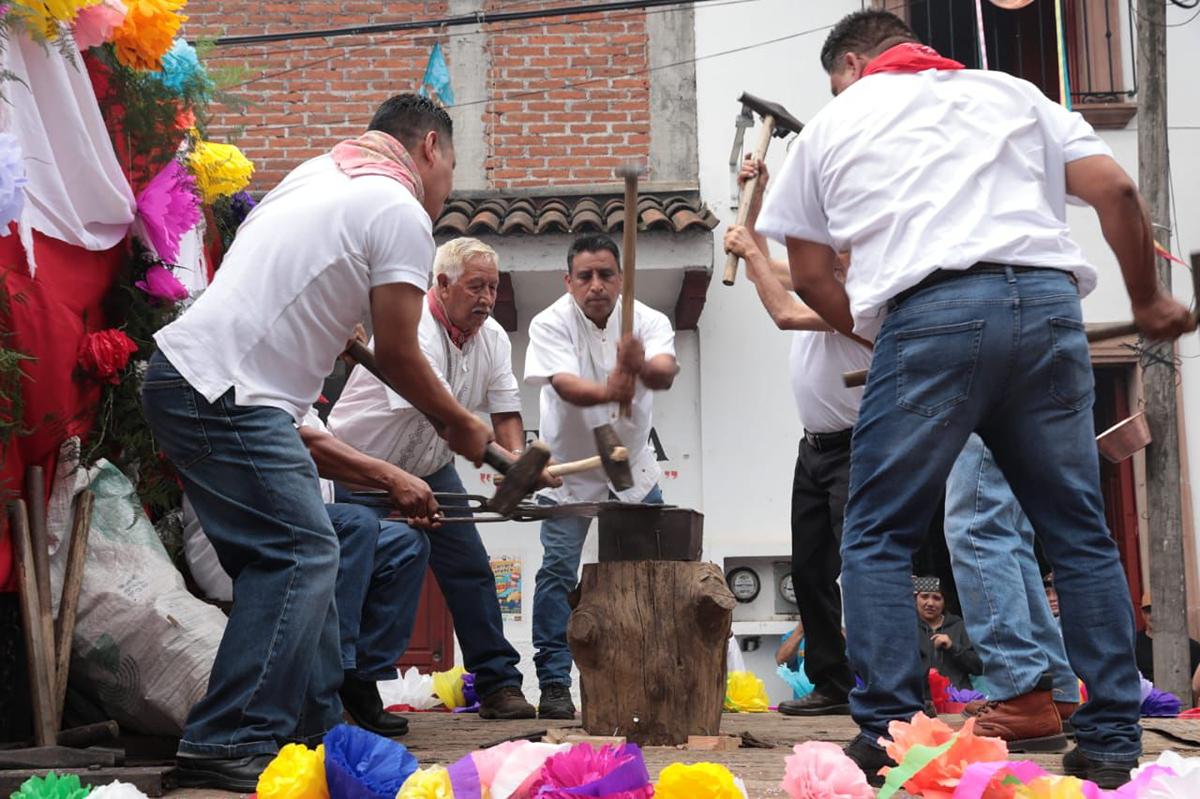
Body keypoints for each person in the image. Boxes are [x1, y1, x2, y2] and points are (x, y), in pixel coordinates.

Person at [755, 10, 1194, 788]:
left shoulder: (835, 121)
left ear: (853, 64)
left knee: (877, 532)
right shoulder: (1015, 93)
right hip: (1051, 309)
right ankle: (1112, 737)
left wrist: (879, 334)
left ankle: (888, 728)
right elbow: (1117, 189)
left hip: (932, 314)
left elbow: (816, 277)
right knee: (1079, 534)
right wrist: (1150, 300)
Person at [142, 94, 492, 791]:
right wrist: (458, 422)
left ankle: (305, 729)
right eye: (453, 162)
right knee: (303, 552)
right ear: (428, 147)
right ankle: (229, 738)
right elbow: (398, 351)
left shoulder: (318, 176)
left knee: (293, 558)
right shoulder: (398, 207)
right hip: (228, 390)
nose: (451, 181)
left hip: (196, 380)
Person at [329, 237, 553, 720]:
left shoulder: (491, 337)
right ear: (443, 284)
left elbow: (506, 412)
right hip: (360, 467)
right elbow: (447, 422)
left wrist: (519, 460)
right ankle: (350, 688)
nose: (488, 299)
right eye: (477, 287)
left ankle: (498, 684)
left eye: (493, 287)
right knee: (361, 572)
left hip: (430, 468)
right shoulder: (411, 331)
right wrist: (506, 466)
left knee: (470, 569)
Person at [182, 402, 431, 738]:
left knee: (406, 541)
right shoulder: (258, 400)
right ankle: (336, 673)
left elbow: (338, 483)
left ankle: (362, 672)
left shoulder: (309, 410)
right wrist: (393, 479)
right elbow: (311, 449)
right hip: (244, 542)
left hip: (309, 537)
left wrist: (405, 498)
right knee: (356, 524)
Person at [724, 156, 870, 716]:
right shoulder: (820, 280)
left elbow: (783, 311)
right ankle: (831, 682)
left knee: (859, 568)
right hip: (814, 448)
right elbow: (766, 259)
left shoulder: (864, 297)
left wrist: (754, 251)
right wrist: (755, 197)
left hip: (860, 446)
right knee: (809, 569)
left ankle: (879, 682)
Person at [524, 234, 679, 719]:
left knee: (654, 575)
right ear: (568, 281)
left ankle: (654, 679)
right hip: (571, 472)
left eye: (606, 274)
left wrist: (644, 369)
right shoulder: (549, 321)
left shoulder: (648, 320)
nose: (596, 285)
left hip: (631, 468)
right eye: (585, 276)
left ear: (621, 279)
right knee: (557, 573)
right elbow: (566, 385)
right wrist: (610, 386)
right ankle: (553, 682)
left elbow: (666, 371)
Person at [946, 434, 1080, 750]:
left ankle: (1023, 695)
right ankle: (1053, 692)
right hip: (1031, 392)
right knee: (1011, 536)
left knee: (976, 527)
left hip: (981, 389)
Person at [913, 576, 982, 691]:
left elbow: (979, 667)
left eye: (937, 598)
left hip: (957, 700)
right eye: (924, 596)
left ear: (944, 602)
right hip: (920, 701)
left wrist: (953, 647)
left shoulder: (959, 626)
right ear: (915, 599)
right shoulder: (908, 628)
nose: (930, 603)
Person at [1136, 594, 1200, 702]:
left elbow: (1196, 688)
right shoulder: (1132, 645)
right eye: (1149, 610)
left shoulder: (1192, 647)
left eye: (1161, 609)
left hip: (1180, 711)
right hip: (1142, 711)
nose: (1155, 614)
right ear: (1142, 613)